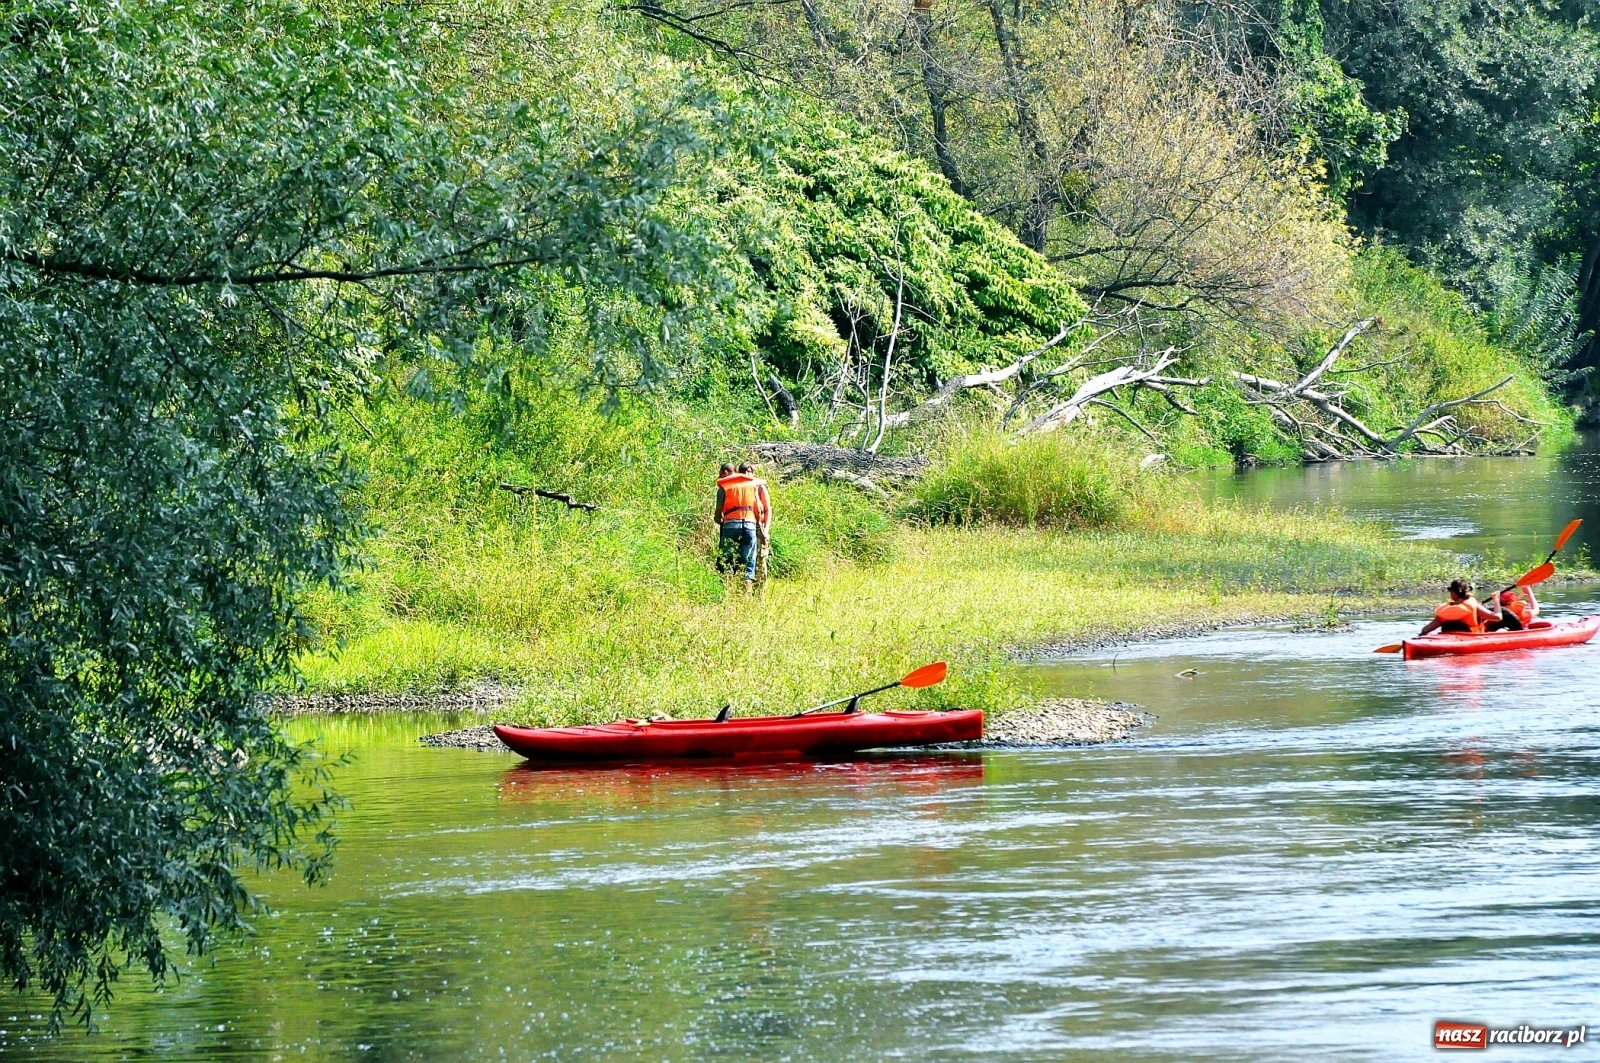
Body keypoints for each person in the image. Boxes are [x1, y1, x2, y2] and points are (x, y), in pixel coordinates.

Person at [713, 461, 771, 592]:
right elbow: (758, 508)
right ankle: (746, 593)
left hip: (731, 526)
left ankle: (726, 591)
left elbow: (718, 511)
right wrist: (759, 527)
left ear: (725, 473)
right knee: (748, 561)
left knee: (726, 559)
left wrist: (718, 518)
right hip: (750, 526)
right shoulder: (752, 485)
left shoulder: (725, 486)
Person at [1416, 577, 1500, 636]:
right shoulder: (1473, 606)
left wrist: (1420, 636)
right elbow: (1498, 617)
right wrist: (1496, 601)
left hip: (1446, 640)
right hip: (1472, 639)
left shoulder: (1446, 610)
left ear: (1453, 593)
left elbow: (1426, 630)